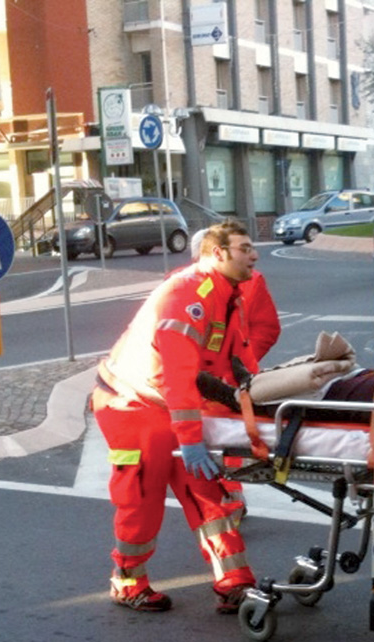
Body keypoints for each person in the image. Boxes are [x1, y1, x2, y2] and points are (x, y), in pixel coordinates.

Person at [92, 220, 262, 613]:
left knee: (209, 492)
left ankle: (234, 580)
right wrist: (190, 437)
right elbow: (177, 374)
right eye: (245, 248)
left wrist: (257, 403)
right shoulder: (188, 295)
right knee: (142, 496)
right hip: (131, 404)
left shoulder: (229, 295)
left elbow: (239, 360)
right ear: (218, 253)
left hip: (173, 404)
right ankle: (127, 582)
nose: (254, 256)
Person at [190, 227, 282, 513]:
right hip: (194, 378)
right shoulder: (182, 285)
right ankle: (215, 499)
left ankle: (229, 497)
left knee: (226, 439)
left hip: (227, 378)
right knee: (202, 438)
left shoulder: (250, 281)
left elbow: (266, 328)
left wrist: (240, 364)